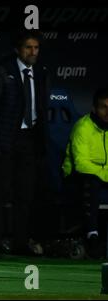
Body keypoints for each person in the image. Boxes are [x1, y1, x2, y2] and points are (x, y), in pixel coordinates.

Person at [0, 30, 50, 255]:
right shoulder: (3, 71)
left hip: (29, 140)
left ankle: (20, 243)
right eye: (28, 47)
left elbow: (42, 107)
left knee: (25, 194)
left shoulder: (41, 73)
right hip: (4, 140)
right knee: (0, 193)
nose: (33, 52)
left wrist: (42, 140)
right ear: (18, 49)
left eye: (36, 48)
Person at [62, 87, 108, 259]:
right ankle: (92, 234)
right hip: (75, 177)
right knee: (92, 181)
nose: (107, 112)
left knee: (96, 179)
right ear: (94, 109)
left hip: (102, 175)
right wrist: (104, 174)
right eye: (103, 107)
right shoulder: (82, 127)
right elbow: (81, 165)